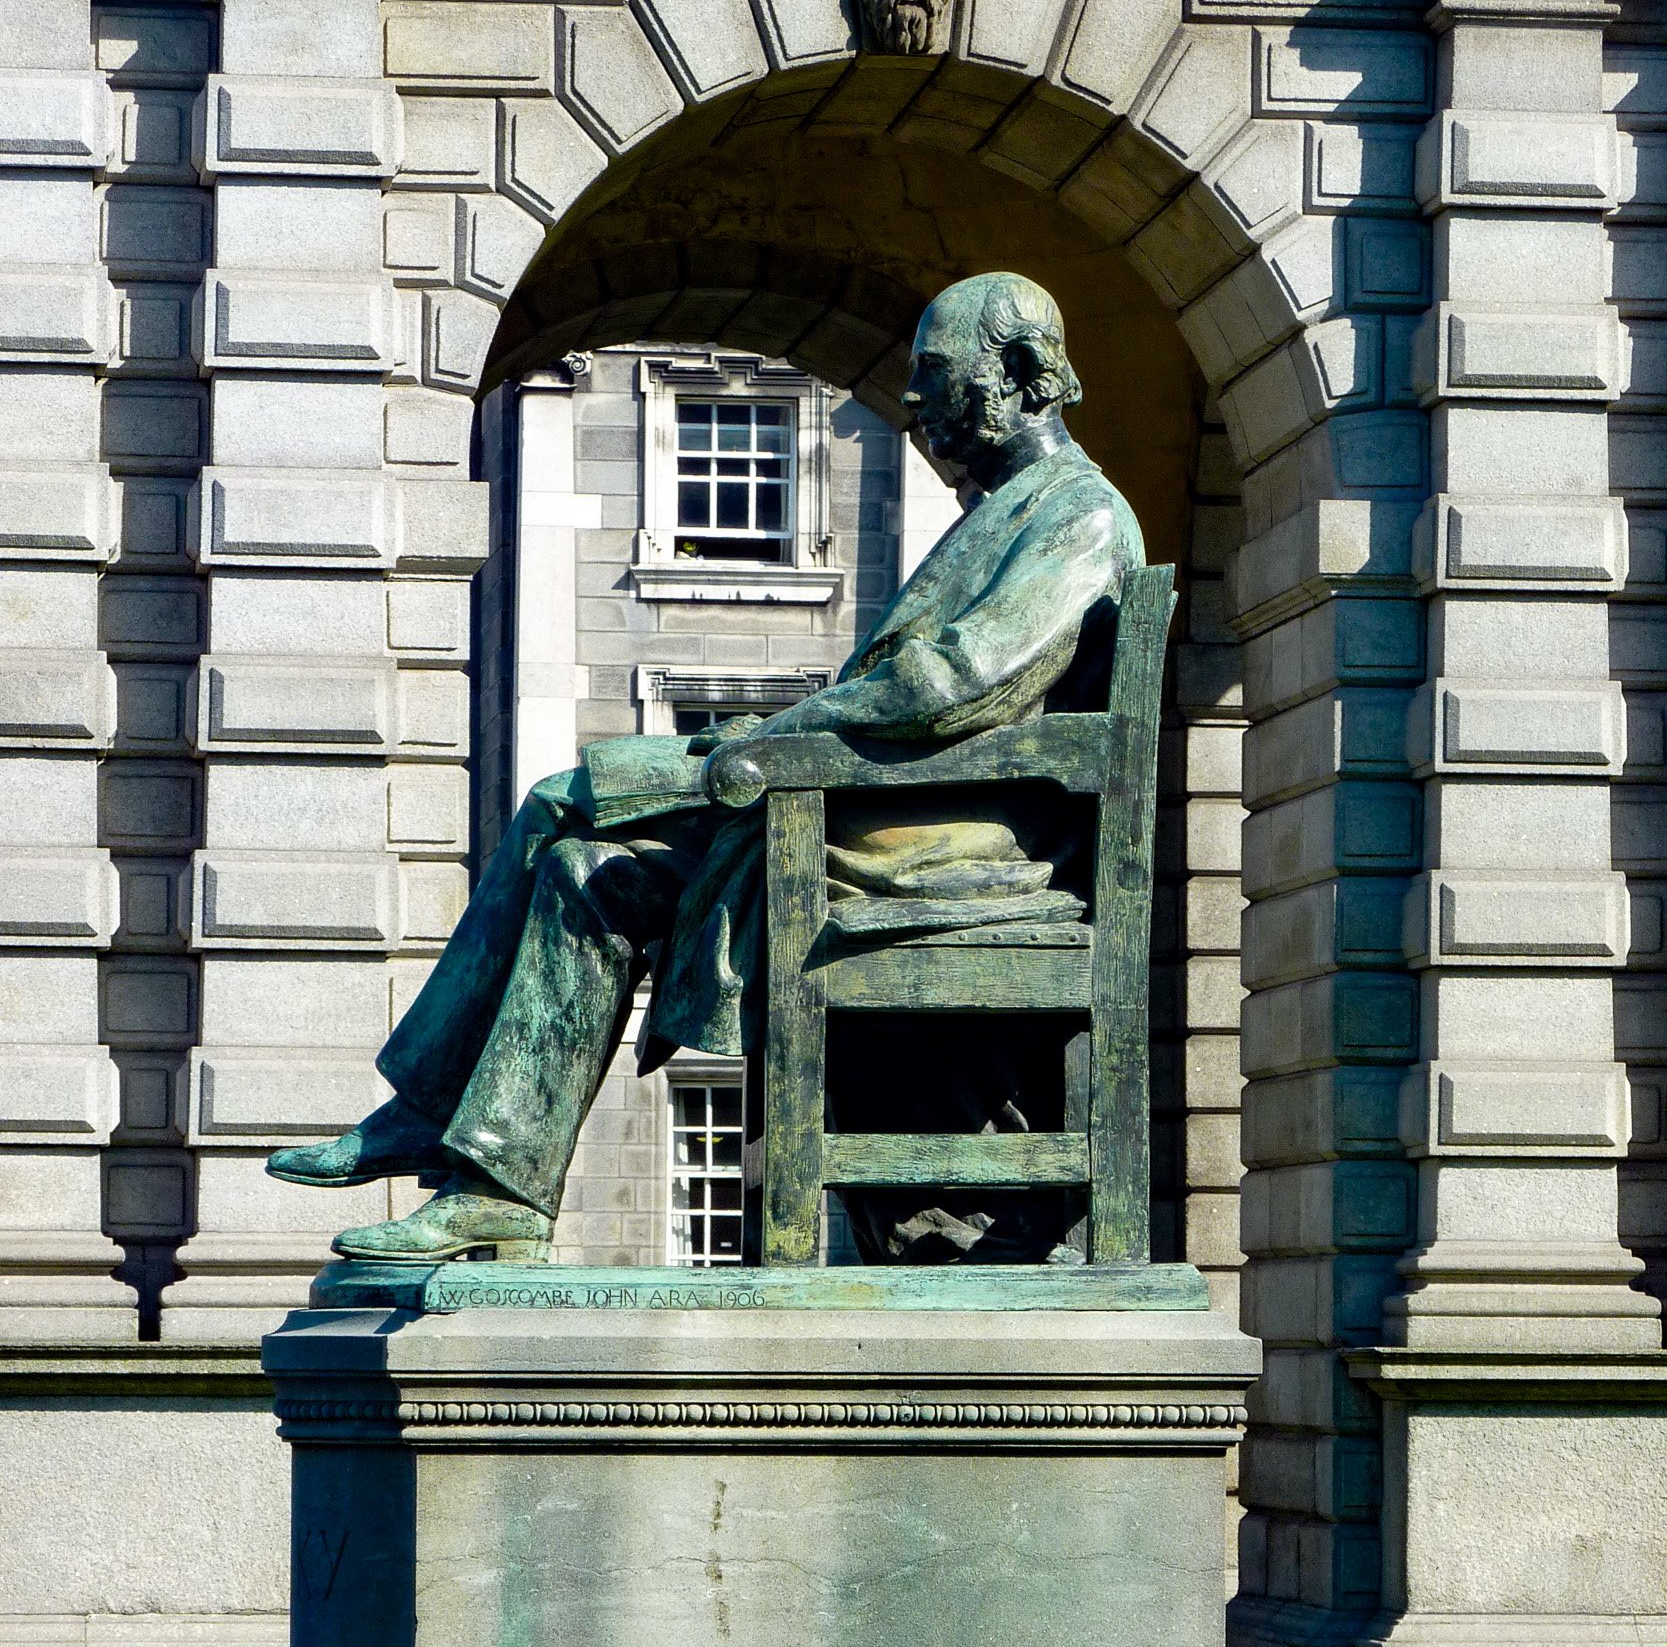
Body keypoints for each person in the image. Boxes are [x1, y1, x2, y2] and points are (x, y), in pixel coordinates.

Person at [269, 272, 1145, 1261]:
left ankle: (427, 1113)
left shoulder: (1076, 513)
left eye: (934, 374)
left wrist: (768, 741)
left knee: (570, 792)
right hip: (874, 802)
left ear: (1021, 375)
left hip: (937, 844)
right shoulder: (1014, 508)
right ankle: (496, 1184)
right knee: (581, 871)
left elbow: (954, 685)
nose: (909, 401)